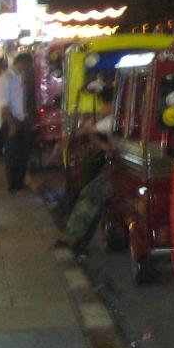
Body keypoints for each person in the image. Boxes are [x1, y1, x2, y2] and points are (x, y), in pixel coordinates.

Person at [57, 86, 115, 255]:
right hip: (117, 164)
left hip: (119, 168)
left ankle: (72, 236)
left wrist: (73, 137)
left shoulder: (113, 119)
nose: (102, 108)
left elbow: (89, 131)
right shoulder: (114, 118)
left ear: (110, 103)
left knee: (91, 194)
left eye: (103, 104)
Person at [0, 51, 36, 193]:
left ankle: (20, 182)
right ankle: (13, 184)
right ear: (23, 63)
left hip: (22, 118)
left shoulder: (21, 77)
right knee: (12, 154)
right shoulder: (5, 78)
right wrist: (11, 124)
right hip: (11, 119)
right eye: (29, 65)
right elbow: (4, 104)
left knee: (23, 153)